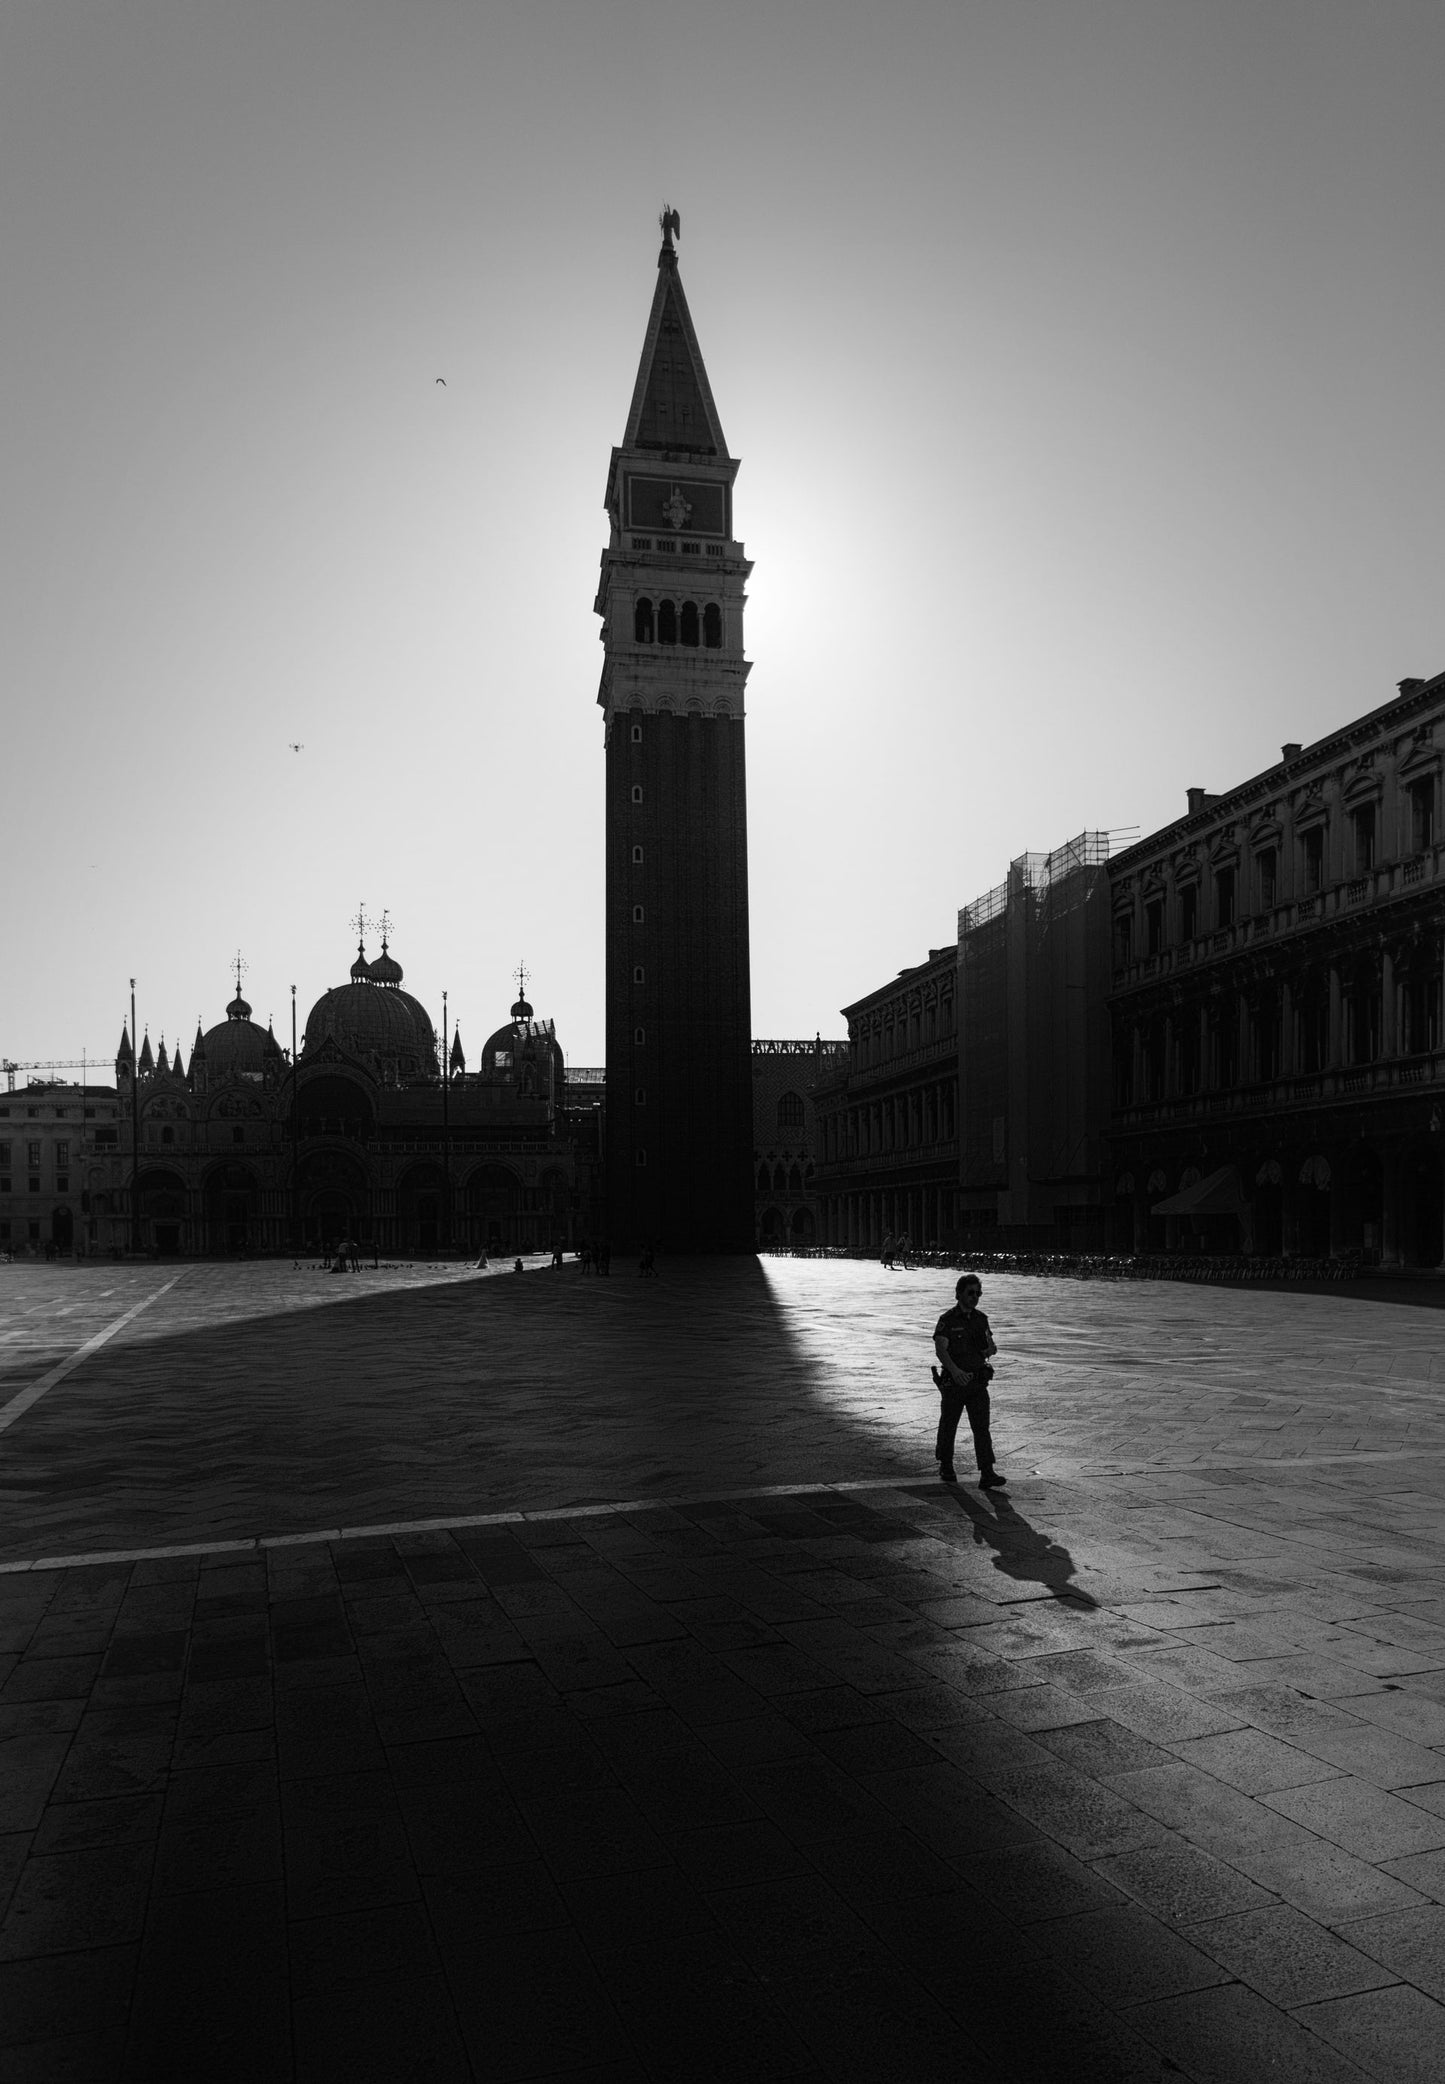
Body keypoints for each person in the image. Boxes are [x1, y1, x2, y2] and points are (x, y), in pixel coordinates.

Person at [932, 1273, 1005, 1490]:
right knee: (949, 1424)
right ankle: (946, 1465)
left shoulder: (981, 1319)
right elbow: (940, 1349)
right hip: (955, 1383)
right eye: (970, 1293)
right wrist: (954, 1372)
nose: (975, 1297)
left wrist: (991, 1349)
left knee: (982, 1428)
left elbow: (990, 1346)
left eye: (978, 1293)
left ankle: (987, 1471)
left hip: (976, 1382)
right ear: (959, 1294)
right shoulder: (947, 1320)